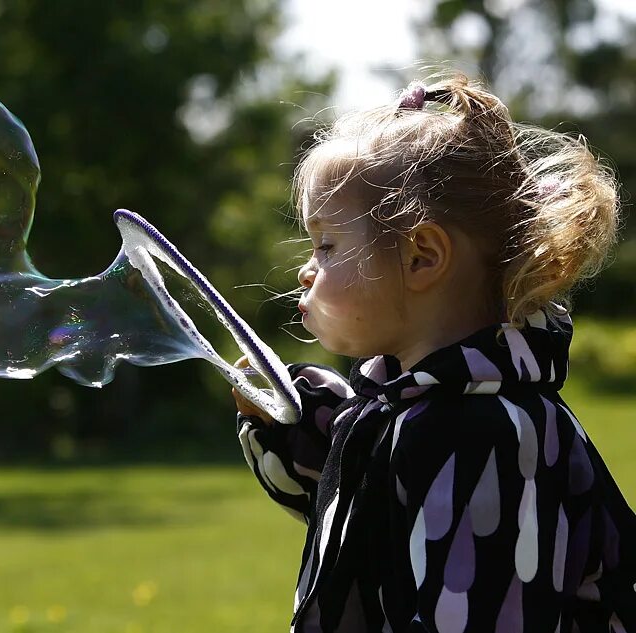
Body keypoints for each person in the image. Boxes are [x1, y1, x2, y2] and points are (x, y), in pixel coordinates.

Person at [232, 74, 636, 632]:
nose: (306, 269)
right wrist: (288, 424)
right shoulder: (416, 411)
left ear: (422, 256)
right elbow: (365, 520)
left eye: (326, 245)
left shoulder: (483, 432)